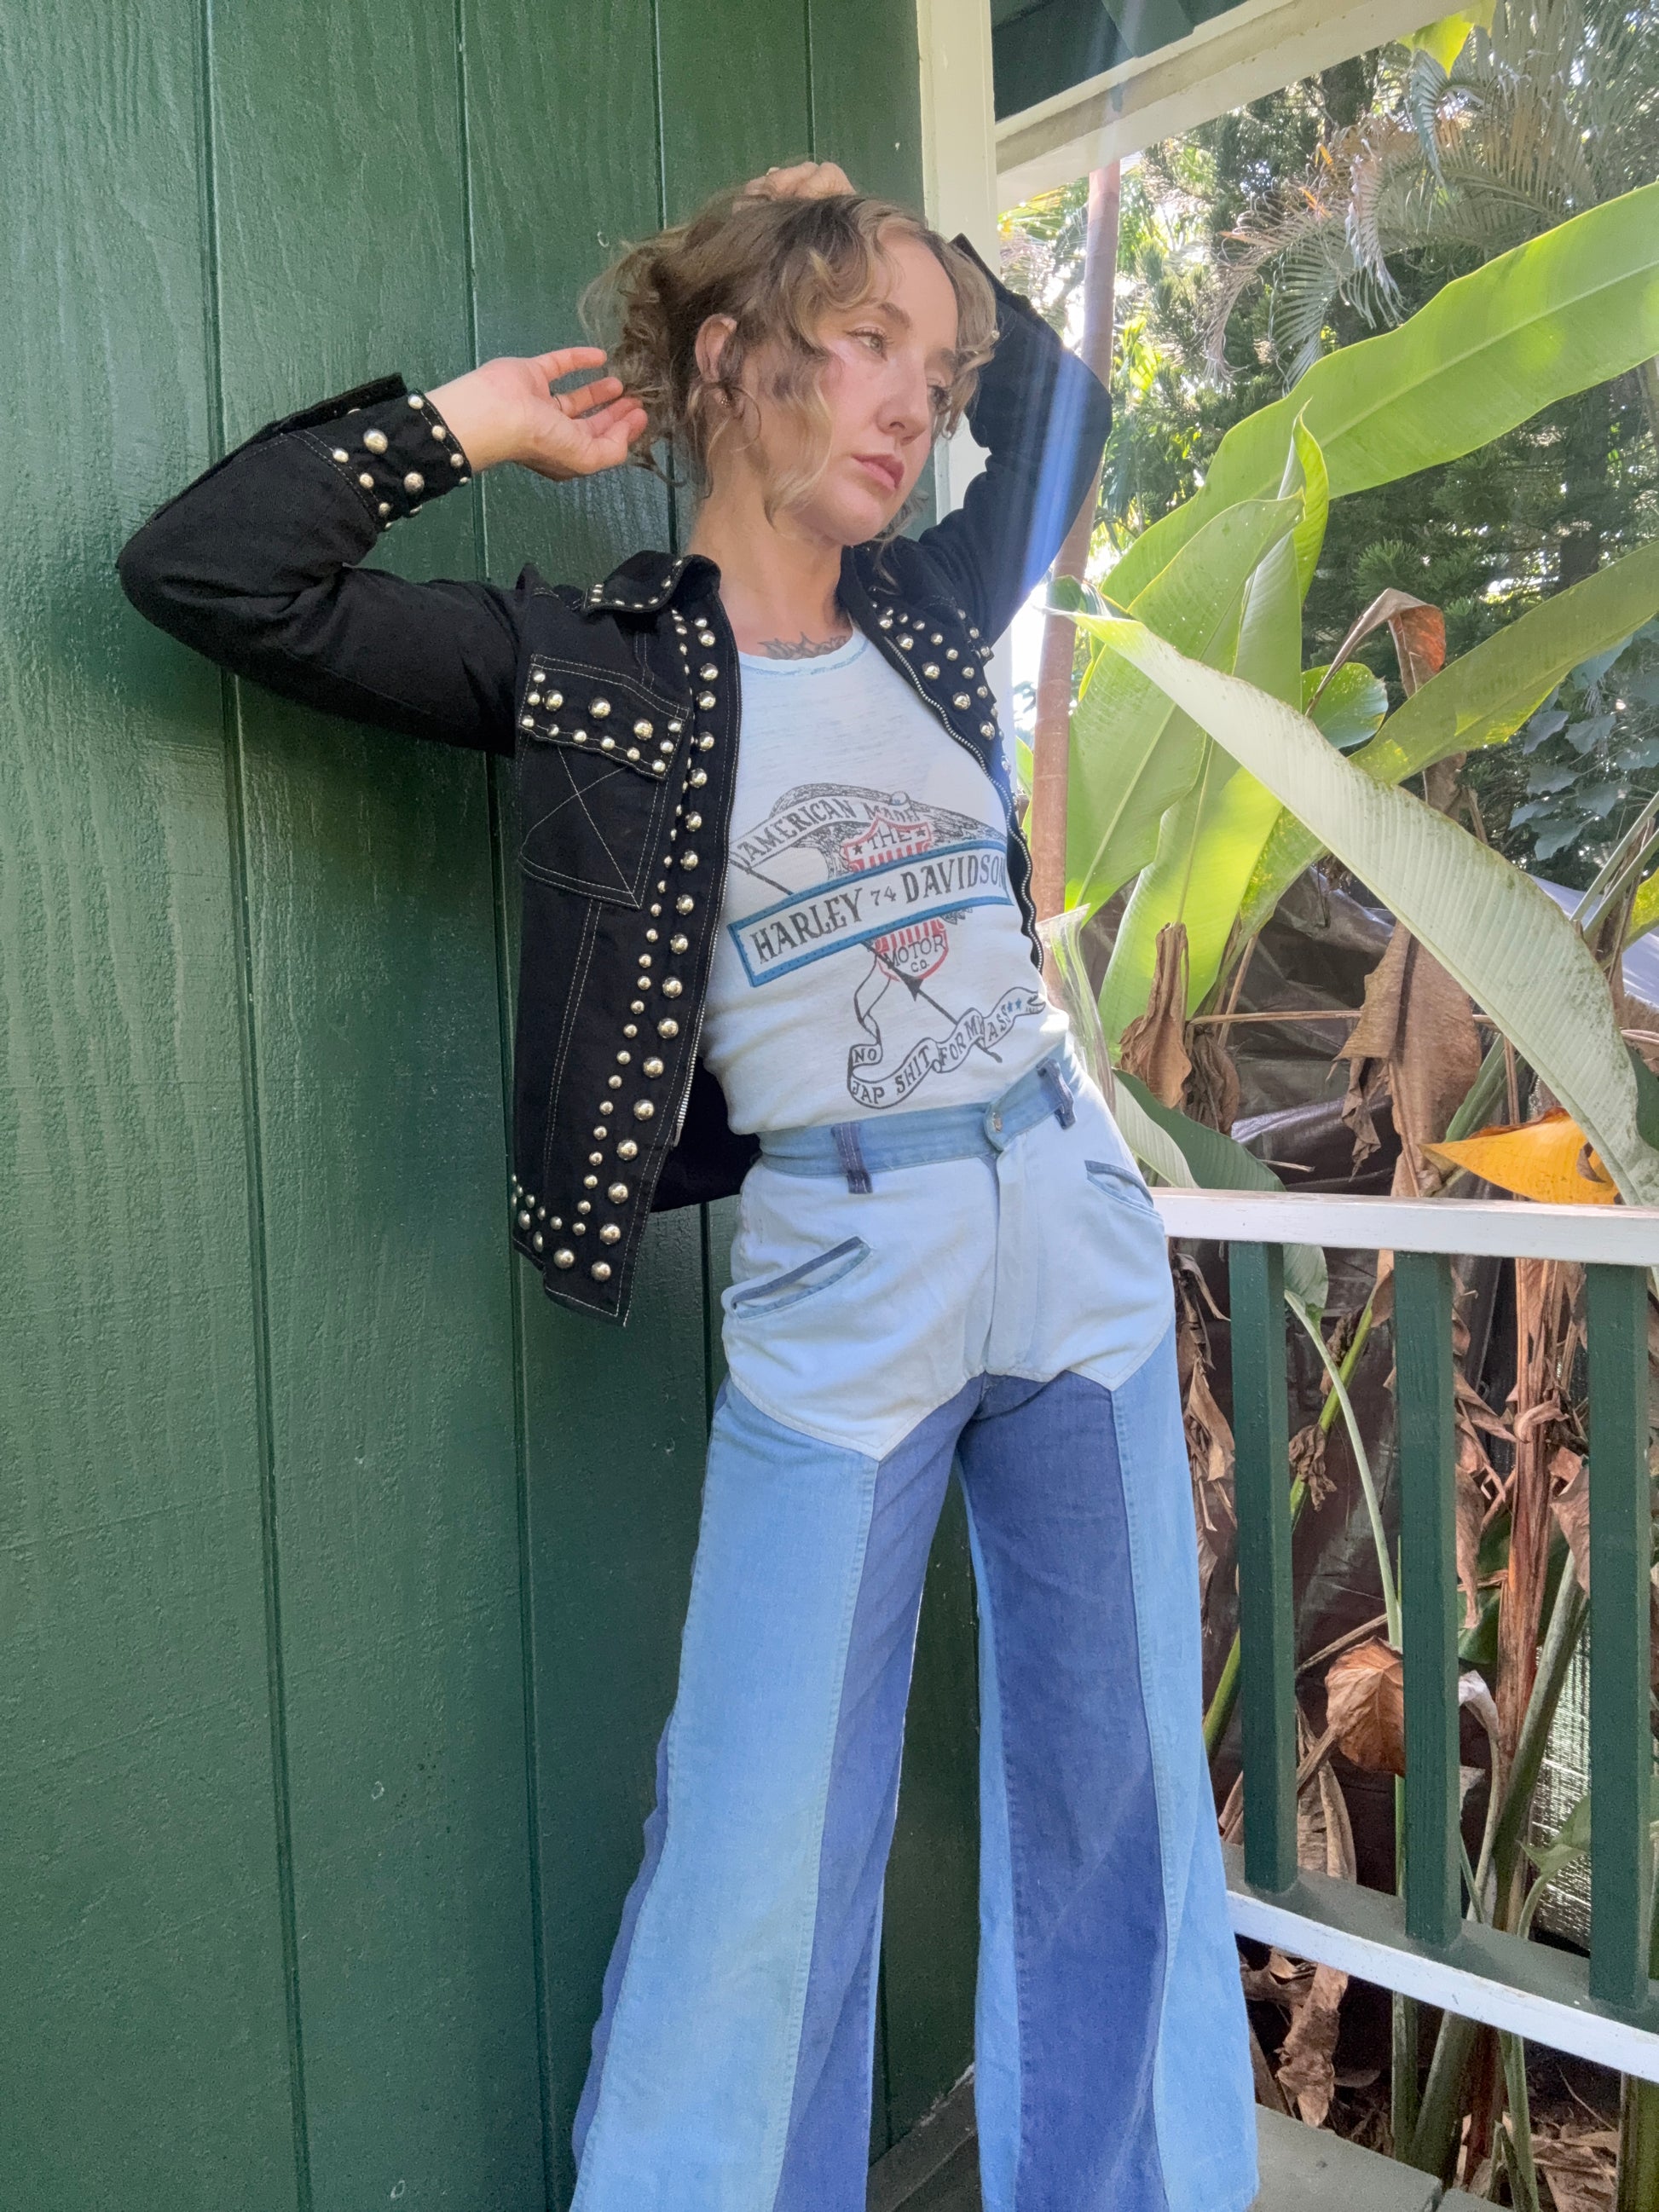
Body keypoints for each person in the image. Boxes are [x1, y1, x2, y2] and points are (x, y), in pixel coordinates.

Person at [118, 159, 1255, 2212]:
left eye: (936, 369)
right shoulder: (597, 663)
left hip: (1066, 1216)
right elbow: (213, 573)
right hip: (853, 1257)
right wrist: (465, 424)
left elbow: (1063, 409)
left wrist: (916, 245)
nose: (914, 402)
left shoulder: (928, 611)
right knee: (758, 1836)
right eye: (865, 345)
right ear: (730, 363)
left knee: (1118, 1792)